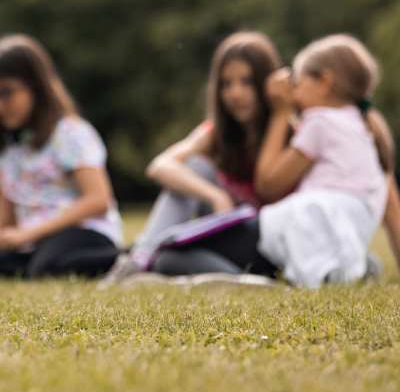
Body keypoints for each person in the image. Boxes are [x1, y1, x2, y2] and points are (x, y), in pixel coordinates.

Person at [159, 34, 400, 287]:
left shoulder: (319, 123)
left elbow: (268, 183)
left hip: (288, 231)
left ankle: (249, 284)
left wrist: (281, 112)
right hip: (318, 246)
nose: (293, 92)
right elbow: (393, 210)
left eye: (298, 81)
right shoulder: (366, 130)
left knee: (170, 257)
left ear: (325, 82)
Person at [105, 31, 284, 280]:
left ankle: (244, 279)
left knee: (170, 259)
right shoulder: (217, 134)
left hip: (263, 241)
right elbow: (160, 165)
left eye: (247, 82)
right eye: (226, 84)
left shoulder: (286, 130)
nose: (235, 93)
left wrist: (281, 113)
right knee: (193, 169)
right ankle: (141, 259)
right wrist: (215, 195)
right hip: (224, 240)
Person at [0, 34, 122, 281]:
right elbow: (6, 223)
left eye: (6, 93)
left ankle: (128, 259)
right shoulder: (6, 149)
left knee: (47, 267)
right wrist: (6, 241)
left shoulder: (70, 133)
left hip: (84, 234)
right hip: (35, 245)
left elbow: (98, 200)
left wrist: (28, 234)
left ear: (36, 87)